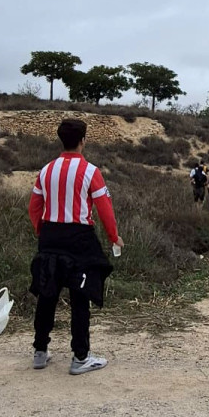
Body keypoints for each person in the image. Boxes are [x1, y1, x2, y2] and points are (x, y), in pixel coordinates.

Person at [27, 119, 124, 375]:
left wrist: (43, 231)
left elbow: (34, 207)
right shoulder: (91, 171)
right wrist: (114, 237)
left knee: (47, 294)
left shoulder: (45, 170)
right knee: (81, 295)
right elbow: (104, 209)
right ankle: (80, 357)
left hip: (49, 235)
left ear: (61, 139)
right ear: (83, 140)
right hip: (79, 238)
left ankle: (40, 352)